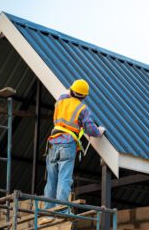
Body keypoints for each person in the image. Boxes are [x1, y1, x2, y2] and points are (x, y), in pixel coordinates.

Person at [39, 79, 105, 225]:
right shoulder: (83, 108)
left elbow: (65, 94)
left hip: (52, 142)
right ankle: (61, 210)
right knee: (64, 178)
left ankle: (48, 213)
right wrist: (99, 132)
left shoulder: (60, 102)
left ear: (71, 90)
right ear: (85, 96)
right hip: (67, 143)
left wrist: (70, 90)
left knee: (51, 179)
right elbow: (90, 129)